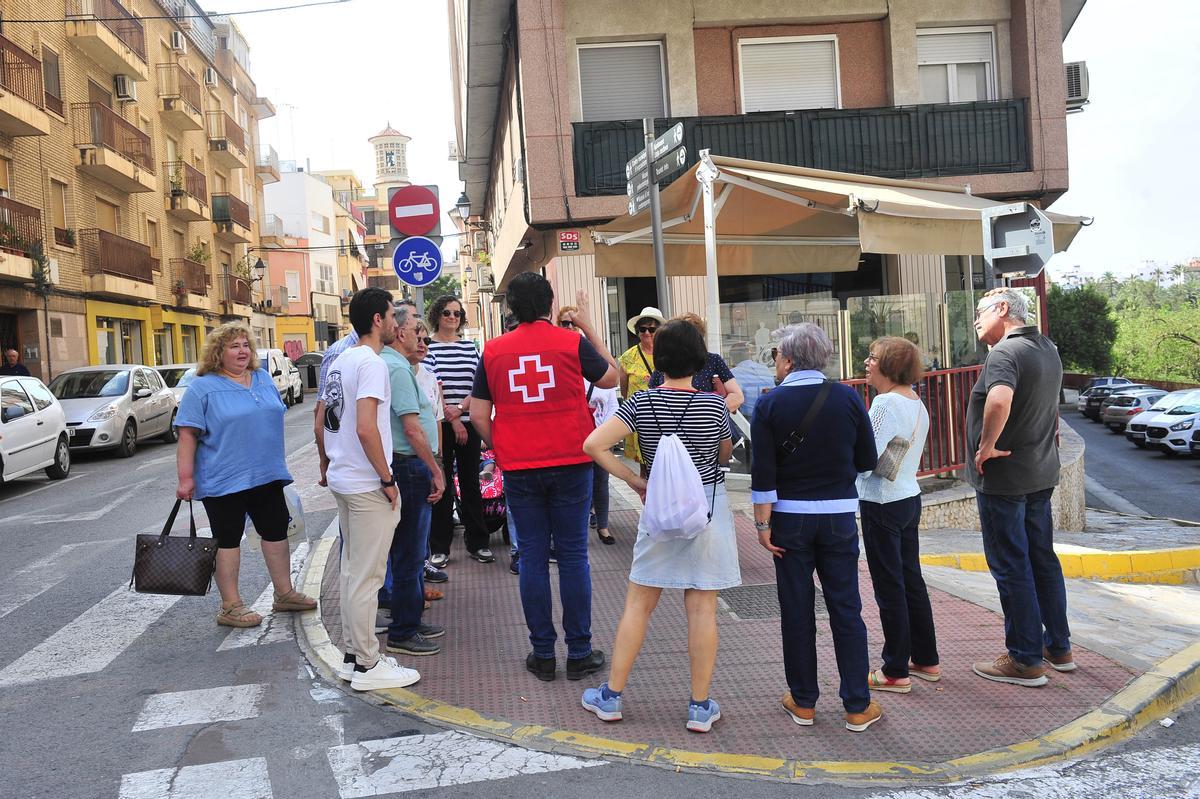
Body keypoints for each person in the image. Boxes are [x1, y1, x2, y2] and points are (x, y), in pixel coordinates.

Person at [580, 320, 737, 733]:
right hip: (705, 506)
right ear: (699, 359)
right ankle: (700, 707)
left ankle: (611, 697)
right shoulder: (714, 405)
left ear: (658, 359)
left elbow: (593, 445)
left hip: (659, 504)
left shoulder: (641, 403)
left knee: (639, 604)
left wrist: (634, 480)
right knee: (702, 608)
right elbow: (723, 454)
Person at [470, 275, 618, 683]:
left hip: (520, 467)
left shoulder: (493, 351)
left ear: (511, 309)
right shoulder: (570, 343)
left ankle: (542, 654)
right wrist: (587, 327)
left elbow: (479, 415)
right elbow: (612, 377)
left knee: (532, 557)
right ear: (551, 305)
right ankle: (580, 653)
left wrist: (504, 446)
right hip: (572, 460)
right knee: (572, 557)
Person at [750, 323, 881, 732]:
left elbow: (763, 475)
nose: (775, 362)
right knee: (846, 608)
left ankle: (804, 701)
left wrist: (762, 524)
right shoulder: (846, 396)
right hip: (840, 516)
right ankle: (857, 705)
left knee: (797, 608)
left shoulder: (769, 405)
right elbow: (867, 459)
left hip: (789, 518)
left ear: (788, 360)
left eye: (776, 356)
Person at [175, 322, 316, 628]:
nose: (242, 351)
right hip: (223, 477)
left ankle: (284, 593)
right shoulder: (202, 387)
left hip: (266, 473)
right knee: (227, 539)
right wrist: (185, 478)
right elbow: (187, 434)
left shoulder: (263, 378)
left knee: (276, 531)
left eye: (246, 345)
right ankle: (230, 606)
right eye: (233, 346)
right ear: (218, 352)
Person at [966, 287, 1071, 687]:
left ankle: (1024, 659)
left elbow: (999, 400)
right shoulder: (1047, 348)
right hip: (1040, 473)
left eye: (980, 311)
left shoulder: (1004, 353)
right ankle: (1057, 647)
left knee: (1011, 565)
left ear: (1003, 309)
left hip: (1005, 479)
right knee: (1042, 559)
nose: (976, 320)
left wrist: (987, 445)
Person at [322, 287, 420, 692]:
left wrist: (327, 463)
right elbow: (365, 427)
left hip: (345, 479)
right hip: (366, 483)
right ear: (378, 320)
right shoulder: (372, 363)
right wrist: (386, 478)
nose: (398, 323)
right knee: (367, 578)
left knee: (351, 574)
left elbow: (323, 420)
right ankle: (367, 663)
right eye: (392, 315)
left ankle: (352, 656)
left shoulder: (339, 360)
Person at [857, 337, 939, 694]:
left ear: (888, 365)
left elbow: (866, 458)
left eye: (872, 358)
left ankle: (894, 670)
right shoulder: (916, 402)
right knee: (911, 581)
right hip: (908, 496)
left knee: (889, 586)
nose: (866, 362)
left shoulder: (885, 403)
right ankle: (925, 658)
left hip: (882, 502)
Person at [379, 303, 447, 657]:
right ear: (401, 332)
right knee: (409, 552)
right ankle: (403, 630)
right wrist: (435, 469)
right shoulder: (396, 369)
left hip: (407, 465)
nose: (421, 335)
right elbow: (411, 426)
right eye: (416, 329)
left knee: (412, 551)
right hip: (408, 466)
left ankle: (411, 619)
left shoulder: (397, 365)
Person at [425, 295, 492, 566]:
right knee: (441, 486)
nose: (452, 317)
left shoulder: (469, 347)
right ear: (437, 316)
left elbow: (478, 384)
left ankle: (478, 542)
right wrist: (451, 419)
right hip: (441, 426)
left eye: (456, 313)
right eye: (446, 313)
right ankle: (440, 546)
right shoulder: (429, 347)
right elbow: (432, 385)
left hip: (469, 423)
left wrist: (462, 411)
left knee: (470, 483)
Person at [558, 305, 620, 545]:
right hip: (571, 436)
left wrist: (607, 434)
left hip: (599, 434)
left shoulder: (594, 357)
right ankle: (577, 528)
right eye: (565, 323)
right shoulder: (561, 358)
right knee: (576, 483)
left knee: (601, 481)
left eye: (575, 322)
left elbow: (612, 398)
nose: (571, 327)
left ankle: (603, 526)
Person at [411, 320, 448, 591]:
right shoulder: (399, 373)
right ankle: (414, 580)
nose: (423, 344)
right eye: (418, 339)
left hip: (431, 456)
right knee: (412, 521)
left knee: (425, 516)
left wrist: (439, 460)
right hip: (410, 458)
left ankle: (423, 564)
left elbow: (437, 419)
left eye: (427, 341)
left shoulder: (429, 375)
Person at [648, 313, 745, 415]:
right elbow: (653, 396)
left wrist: (709, 413)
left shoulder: (713, 360)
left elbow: (737, 396)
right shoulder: (667, 360)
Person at [617, 306, 665, 470]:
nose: (647, 333)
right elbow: (624, 390)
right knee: (645, 468)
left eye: (652, 329)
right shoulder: (628, 357)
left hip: (666, 416)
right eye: (642, 329)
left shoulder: (668, 353)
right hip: (641, 418)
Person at [728, 342, 775, 425]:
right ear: (749, 355)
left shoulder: (732, 374)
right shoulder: (764, 369)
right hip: (769, 417)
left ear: (733, 358)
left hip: (747, 421)